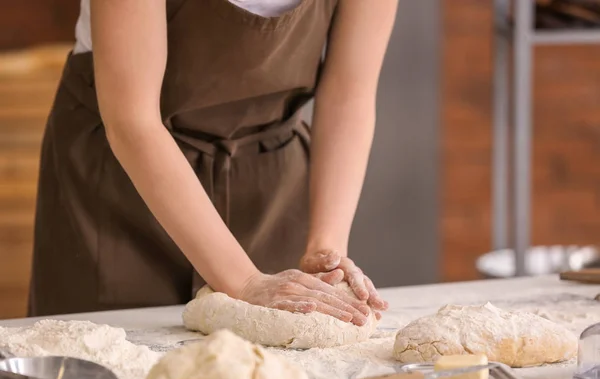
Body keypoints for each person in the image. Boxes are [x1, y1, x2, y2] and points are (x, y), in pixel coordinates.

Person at [28, 0, 397, 324]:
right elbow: (132, 122)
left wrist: (325, 247)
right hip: (119, 187)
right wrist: (247, 282)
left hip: (269, 185)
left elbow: (349, 95)